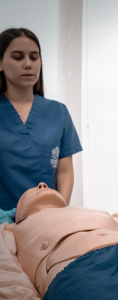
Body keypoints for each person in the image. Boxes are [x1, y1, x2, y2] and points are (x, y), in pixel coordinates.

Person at [0, 28, 82, 221]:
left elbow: (64, 170)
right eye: (18, 57)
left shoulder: (58, 112)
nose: (28, 64)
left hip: (48, 220)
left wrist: (60, 208)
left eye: (34, 57)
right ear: (1, 63)